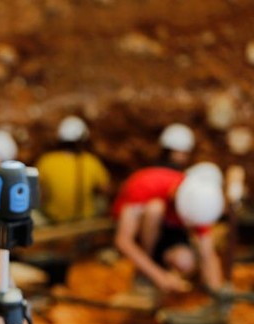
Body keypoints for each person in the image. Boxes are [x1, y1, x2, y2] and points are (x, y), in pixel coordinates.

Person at [112, 161, 226, 293]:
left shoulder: (200, 202)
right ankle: (143, 273)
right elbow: (123, 241)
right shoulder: (145, 185)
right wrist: (159, 277)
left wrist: (217, 293)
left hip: (167, 236)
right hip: (141, 233)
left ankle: (166, 270)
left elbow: (208, 254)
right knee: (155, 209)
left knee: (184, 261)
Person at [35, 115, 112, 224]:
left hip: (54, 219)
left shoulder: (47, 160)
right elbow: (106, 190)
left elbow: (37, 191)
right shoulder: (91, 161)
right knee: (101, 202)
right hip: (86, 219)